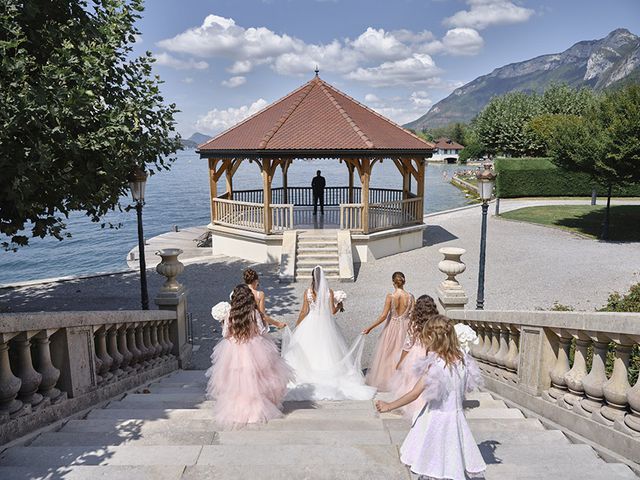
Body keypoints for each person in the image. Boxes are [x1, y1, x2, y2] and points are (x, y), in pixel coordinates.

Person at [376, 315, 486, 480]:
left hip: (437, 418)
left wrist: (389, 406)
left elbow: (414, 393)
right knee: (451, 453)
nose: (424, 342)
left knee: (432, 457)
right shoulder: (462, 360)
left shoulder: (435, 366)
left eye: (426, 338)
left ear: (434, 339)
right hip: (456, 416)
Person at [281, 266, 376, 400]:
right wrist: (339, 305)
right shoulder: (328, 292)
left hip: (309, 323)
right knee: (328, 349)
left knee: (307, 349)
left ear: (312, 277)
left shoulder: (307, 292)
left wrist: (297, 327)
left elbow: (303, 311)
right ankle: (331, 374)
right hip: (325, 324)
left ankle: (306, 373)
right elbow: (331, 312)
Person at [205, 284, 293, 429]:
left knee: (236, 381)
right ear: (249, 298)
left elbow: (225, 334)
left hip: (234, 349)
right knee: (257, 380)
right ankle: (256, 411)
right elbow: (261, 330)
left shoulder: (230, 314)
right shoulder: (254, 313)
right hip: (255, 347)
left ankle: (237, 411)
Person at [387, 294, 439, 418]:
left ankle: (413, 404)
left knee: (412, 380)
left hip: (415, 354)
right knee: (429, 379)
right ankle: (428, 403)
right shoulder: (436, 322)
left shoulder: (414, 323)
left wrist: (401, 361)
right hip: (431, 352)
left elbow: (408, 344)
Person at [363, 272, 414, 391]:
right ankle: (402, 380)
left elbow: (383, 316)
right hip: (406, 327)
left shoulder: (391, 296)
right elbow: (414, 315)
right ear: (404, 281)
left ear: (393, 282)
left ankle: (388, 379)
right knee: (404, 352)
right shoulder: (411, 297)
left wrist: (370, 327)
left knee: (388, 353)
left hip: (392, 327)